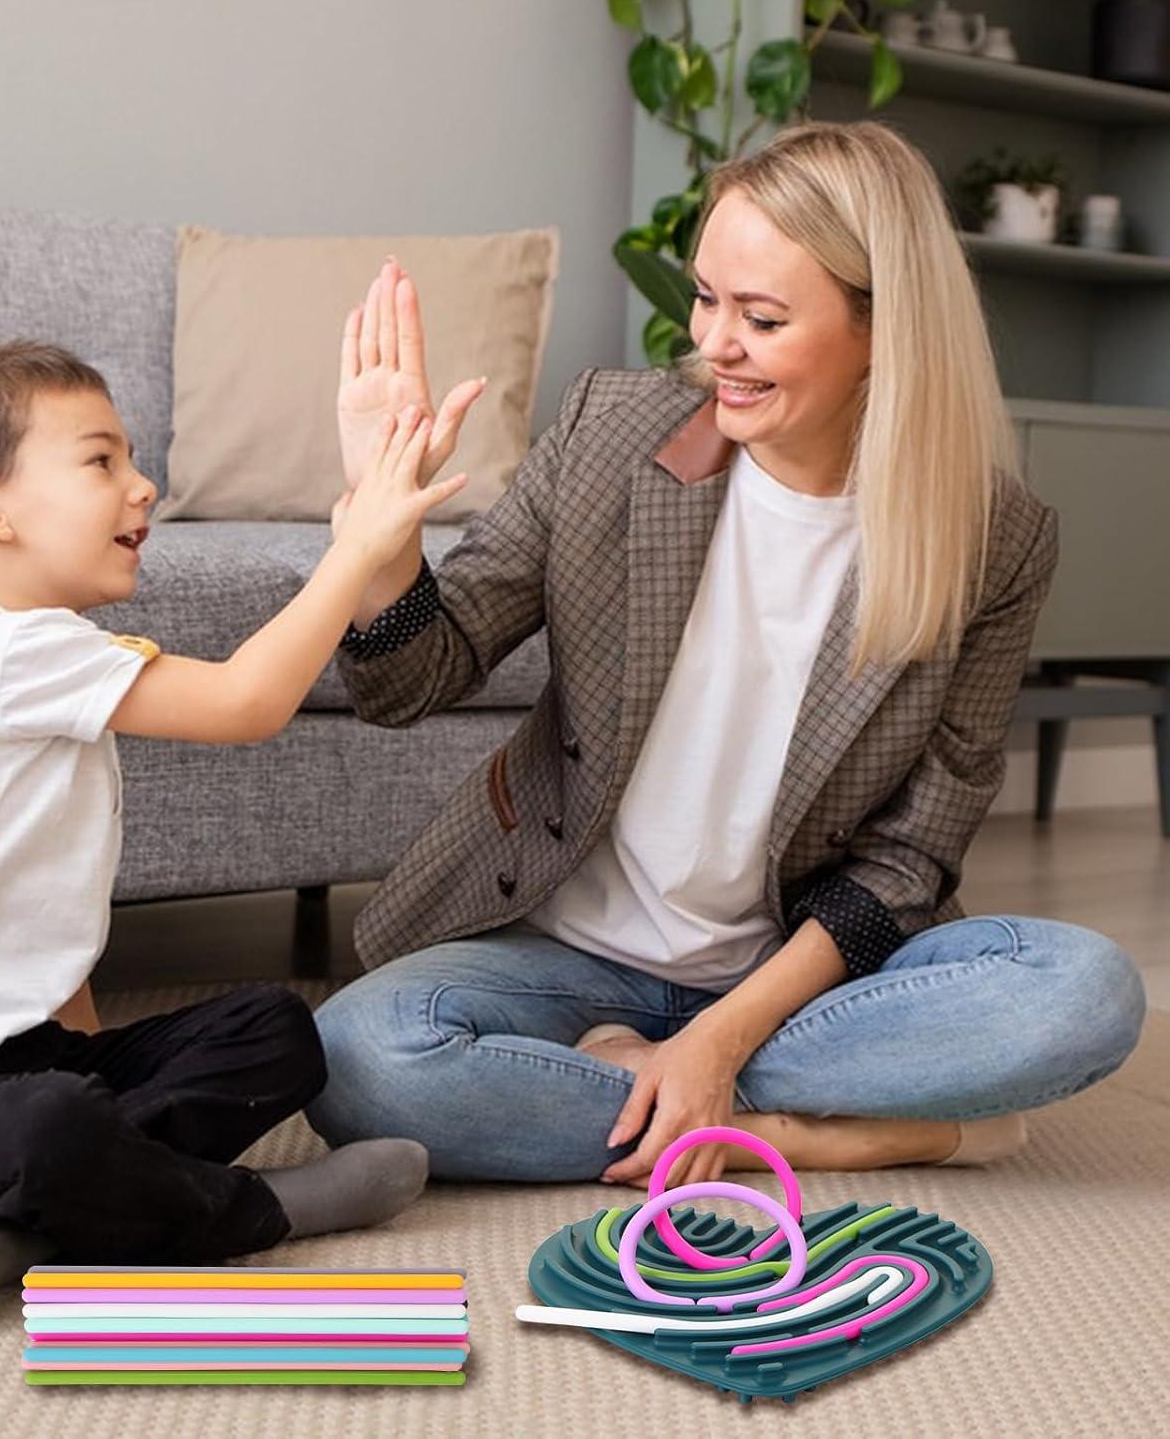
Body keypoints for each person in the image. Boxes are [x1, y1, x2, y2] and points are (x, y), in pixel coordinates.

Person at [305, 121, 1148, 1192]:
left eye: (762, 317)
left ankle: (693, 1106)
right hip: (568, 957)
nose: (715, 346)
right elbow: (413, 677)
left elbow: (908, 862)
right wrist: (379, 537)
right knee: (357, 1055)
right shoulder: (614, 431)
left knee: (1084, 992)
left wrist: (720, 1042)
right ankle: (850, 1121)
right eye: (706, 298)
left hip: (797, 973)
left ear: (882, 329)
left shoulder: (992, 542)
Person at [0, 340, 477, 1322]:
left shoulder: (50, 659)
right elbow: (246, 700)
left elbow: (33, 937)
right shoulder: (5, 652)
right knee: (55, 1123)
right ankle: (254, 1213)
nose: (142, 486)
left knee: (273, 1031)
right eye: (101, 461)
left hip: (22, 1065)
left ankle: (25, 1231)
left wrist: (94, 1080)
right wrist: (357, 551)